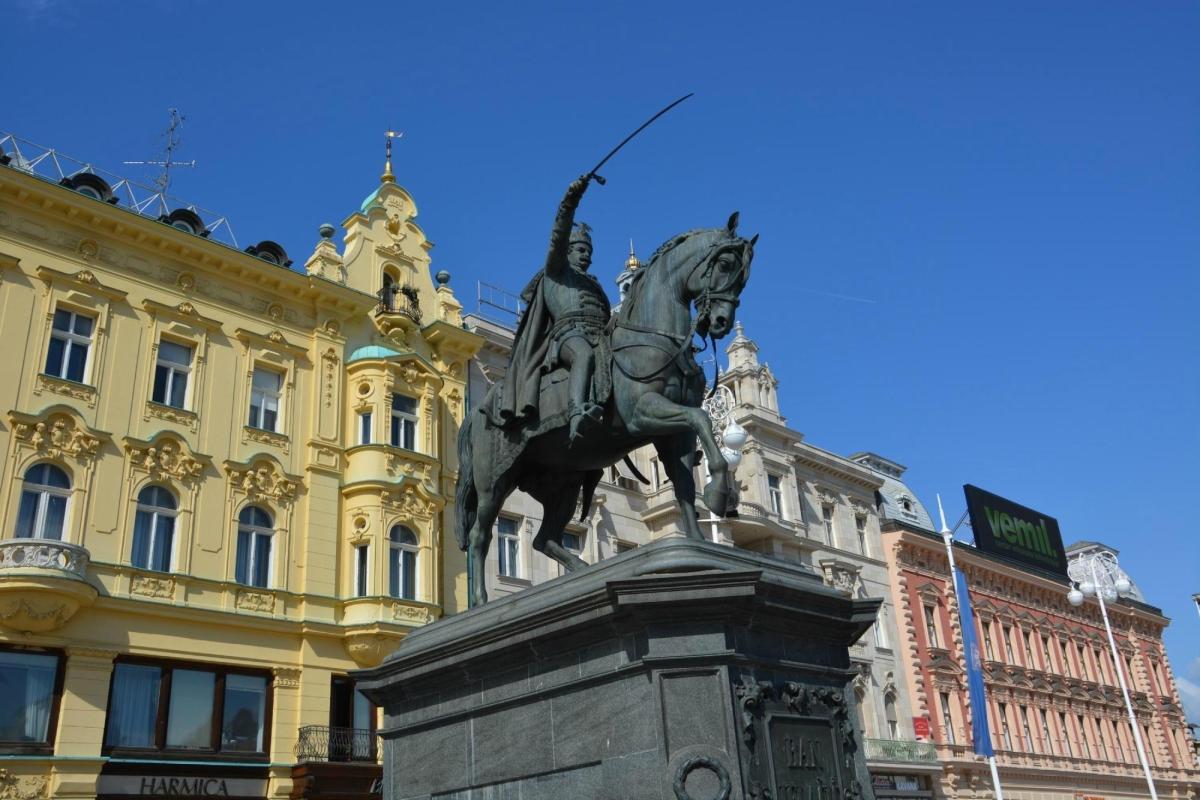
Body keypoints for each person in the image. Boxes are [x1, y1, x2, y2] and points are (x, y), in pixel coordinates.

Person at [488, 175, 612, 444]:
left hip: (600, 336)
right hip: (569, 336)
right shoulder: (557, 271)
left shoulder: (593, 284)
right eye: (580, 249)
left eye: (588, 251)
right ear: (566, 251)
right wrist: (571, 201)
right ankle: (577, 411)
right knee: (583, 356)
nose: (586, 255)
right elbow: (559, 234)